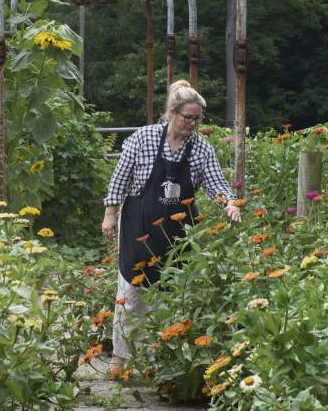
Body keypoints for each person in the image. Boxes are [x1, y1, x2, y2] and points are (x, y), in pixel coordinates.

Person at [100, 80, 241, 379]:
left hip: (179, 232)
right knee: (131, 293)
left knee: (173, 293)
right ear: (173, 113)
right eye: (188, 117)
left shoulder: (201, 148)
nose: (193, 123)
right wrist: (110, 215)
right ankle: (119, 361)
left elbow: (217, 183)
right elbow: (119, 179)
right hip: (138, 227)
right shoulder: (144, 138)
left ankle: (159, 363)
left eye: (198, 119)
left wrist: (229, 203)